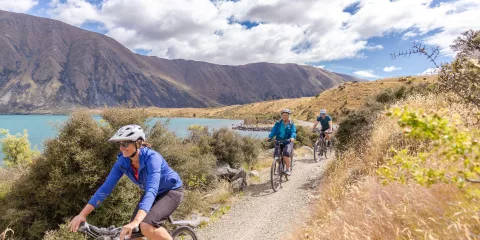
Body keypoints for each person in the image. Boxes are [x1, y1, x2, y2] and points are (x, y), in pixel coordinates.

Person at [69, 125, 183, 240]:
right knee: (132, 234)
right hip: (152, 193)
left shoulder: (153, 159)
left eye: (125, 144)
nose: (121, 148)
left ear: (138, 143)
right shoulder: (122, 162)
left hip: (171, 191)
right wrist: (82, 214)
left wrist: (136, 222)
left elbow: (151, 191)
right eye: (120, 144)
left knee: (146, 226)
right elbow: (105, 189)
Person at [267, 109, 296, 176]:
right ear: (281, 116)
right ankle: (280, 166)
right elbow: (274, 130)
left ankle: (288, 169)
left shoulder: (291, 124)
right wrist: (270, 136)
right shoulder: (278, 123)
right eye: (283, 115)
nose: (284, 116)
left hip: (288, 141)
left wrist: (292, 137)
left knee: (286, 154)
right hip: (278, 140)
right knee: (276, 156)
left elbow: (293, 131)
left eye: (286, 115)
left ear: (288, 116)